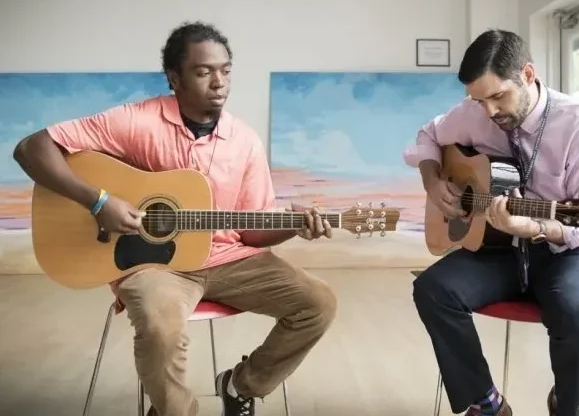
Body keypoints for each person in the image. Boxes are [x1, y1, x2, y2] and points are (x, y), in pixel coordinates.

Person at [13, 21, 338, 416]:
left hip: (226, 259)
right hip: (154, 265)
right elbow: (32, 149)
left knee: (318, 303)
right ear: (175, 78)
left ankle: (240, 386)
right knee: (160, 327)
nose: (219, 82)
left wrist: (292, 228)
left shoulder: (245, 140)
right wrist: (98, 202)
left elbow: (250, 233)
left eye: (225, 70)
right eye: (204, 72)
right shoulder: (137, 121)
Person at [404, 29, 579, 416]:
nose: (488, 111)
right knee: (433, 289)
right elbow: (427, 137)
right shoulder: (476, 111)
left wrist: (534, 228)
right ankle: (486, 403)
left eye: (498, 96)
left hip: (566, 249)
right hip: (498, 250)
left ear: (528, 74)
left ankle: (566, 404)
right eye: (478, 99)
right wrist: (433, 181)